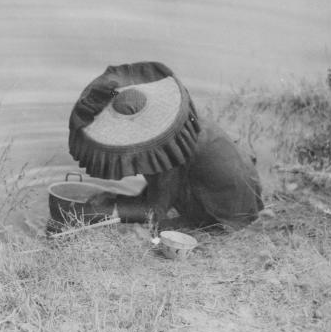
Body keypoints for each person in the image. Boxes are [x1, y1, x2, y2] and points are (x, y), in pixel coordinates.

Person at [68, 61, 263, 230]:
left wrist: (102, 211)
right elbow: (162, 186)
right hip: (247, 184)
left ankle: (205, 225)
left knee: (160, 227)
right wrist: (116, 198)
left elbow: (154, 211)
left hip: (231, 216)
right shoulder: (179, 126)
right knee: (161, 189)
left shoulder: (169, 150)